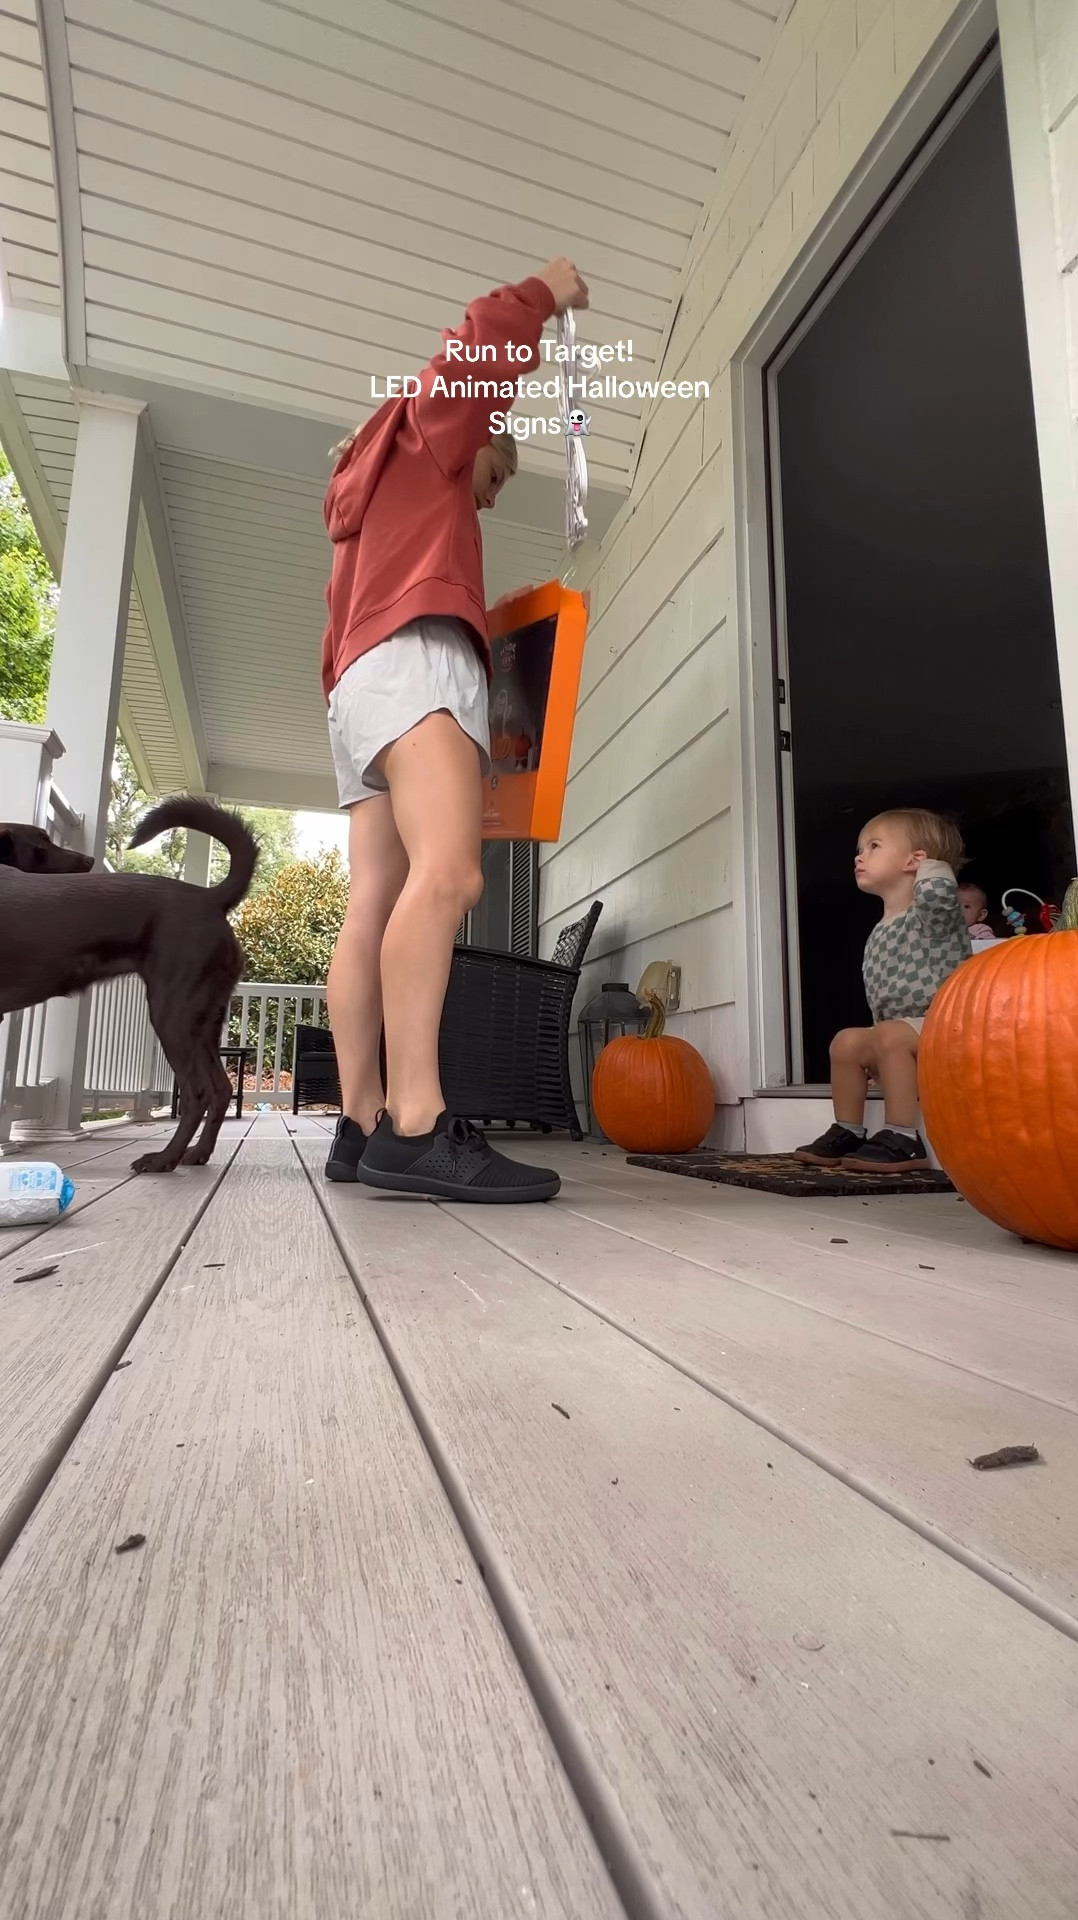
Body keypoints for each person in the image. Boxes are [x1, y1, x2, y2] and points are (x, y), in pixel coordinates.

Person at [320, 258, 588, 1202]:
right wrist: (544, 294)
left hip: (356, 685)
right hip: (413, 661)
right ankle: (419, 1124)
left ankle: (358, 1127)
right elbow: (477, 344)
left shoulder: (364, 494)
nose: (490, 494)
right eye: (496, 471)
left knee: (374, 899)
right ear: (471, 438)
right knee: (453, 874)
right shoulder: (428, 431)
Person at [795, 809, 972, 1173]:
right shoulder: (880, 929)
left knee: (889, 1035)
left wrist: (933, 867)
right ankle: (848, 1128)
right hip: (901, 1037)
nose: (859, 856)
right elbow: (884, 1001)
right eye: (860, 849)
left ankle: (904, 1137)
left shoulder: (933, 914)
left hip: (945, 1029)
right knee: (845, 1041)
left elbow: (939, 895)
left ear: (915, 860)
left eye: (874, 846)